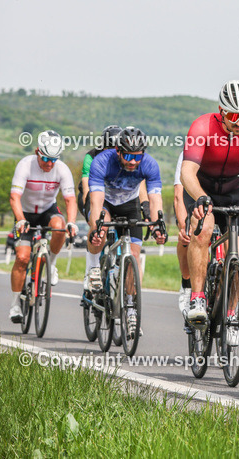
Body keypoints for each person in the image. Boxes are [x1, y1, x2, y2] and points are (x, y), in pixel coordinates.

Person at [181, 81, 239, 337]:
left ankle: (230, 314)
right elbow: (187, 172)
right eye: (234, 115)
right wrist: (201, 198)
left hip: (233, 190)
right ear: (221, 110)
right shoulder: (202, 126)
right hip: (201, 188)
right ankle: (196, 297)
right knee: (203, 231)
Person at [85, 126, 167, 335]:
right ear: (118, 151)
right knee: (101, 230)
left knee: (134, 256)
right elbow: (95, 201)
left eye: (137, 157)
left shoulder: (149, 164)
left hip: (129, 205)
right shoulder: (102, 161)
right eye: (128, 156)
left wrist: (158, 225)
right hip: (105, 203)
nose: (132, 161)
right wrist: (97, 228)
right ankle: (94, 268)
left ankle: (130, 307)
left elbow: (155, 197)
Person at [173, 151, 239, 316]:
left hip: (230, 200)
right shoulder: (189, 153)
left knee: (238, 255)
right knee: (188, 237)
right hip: (201, 199)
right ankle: (188, 287)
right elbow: (178, 196)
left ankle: (230, 314)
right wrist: (184, 226)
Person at [8, 131, 78, 322]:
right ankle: (15, 305)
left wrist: (71, 221)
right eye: (45, 158)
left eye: (53, 159)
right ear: (38, 151)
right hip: (26, 213)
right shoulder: (25, 165)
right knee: (22, 258)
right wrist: (20, 219)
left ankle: (51, 264)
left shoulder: (61, 169)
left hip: (47, 210)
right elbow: (15, 197)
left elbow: (70, 199)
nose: (49, 164)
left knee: (60, 226)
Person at [78, 125, 121, 219]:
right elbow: (86, 185)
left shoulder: (125, 157)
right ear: (103, 146)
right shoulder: (91, 156)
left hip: (113, 196)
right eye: (110, 148)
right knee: (97, 223)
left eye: (116, 149)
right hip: (91, 192)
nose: (113, 152)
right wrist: (87, 208)